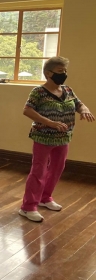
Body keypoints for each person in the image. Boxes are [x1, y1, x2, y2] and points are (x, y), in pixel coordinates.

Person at [19, 56, 94, 222]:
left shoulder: (67, 90)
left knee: (57, 169)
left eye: (65, 71)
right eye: (60, 71)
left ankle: (45, 198)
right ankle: (28, 206)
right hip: (43, 137)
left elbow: (79, 104)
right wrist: (50, 123)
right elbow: (27, 110)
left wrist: (84, 110)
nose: (64, 74)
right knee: (38, 170)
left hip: (63, 138)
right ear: (48, 73)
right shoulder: (38, 92)